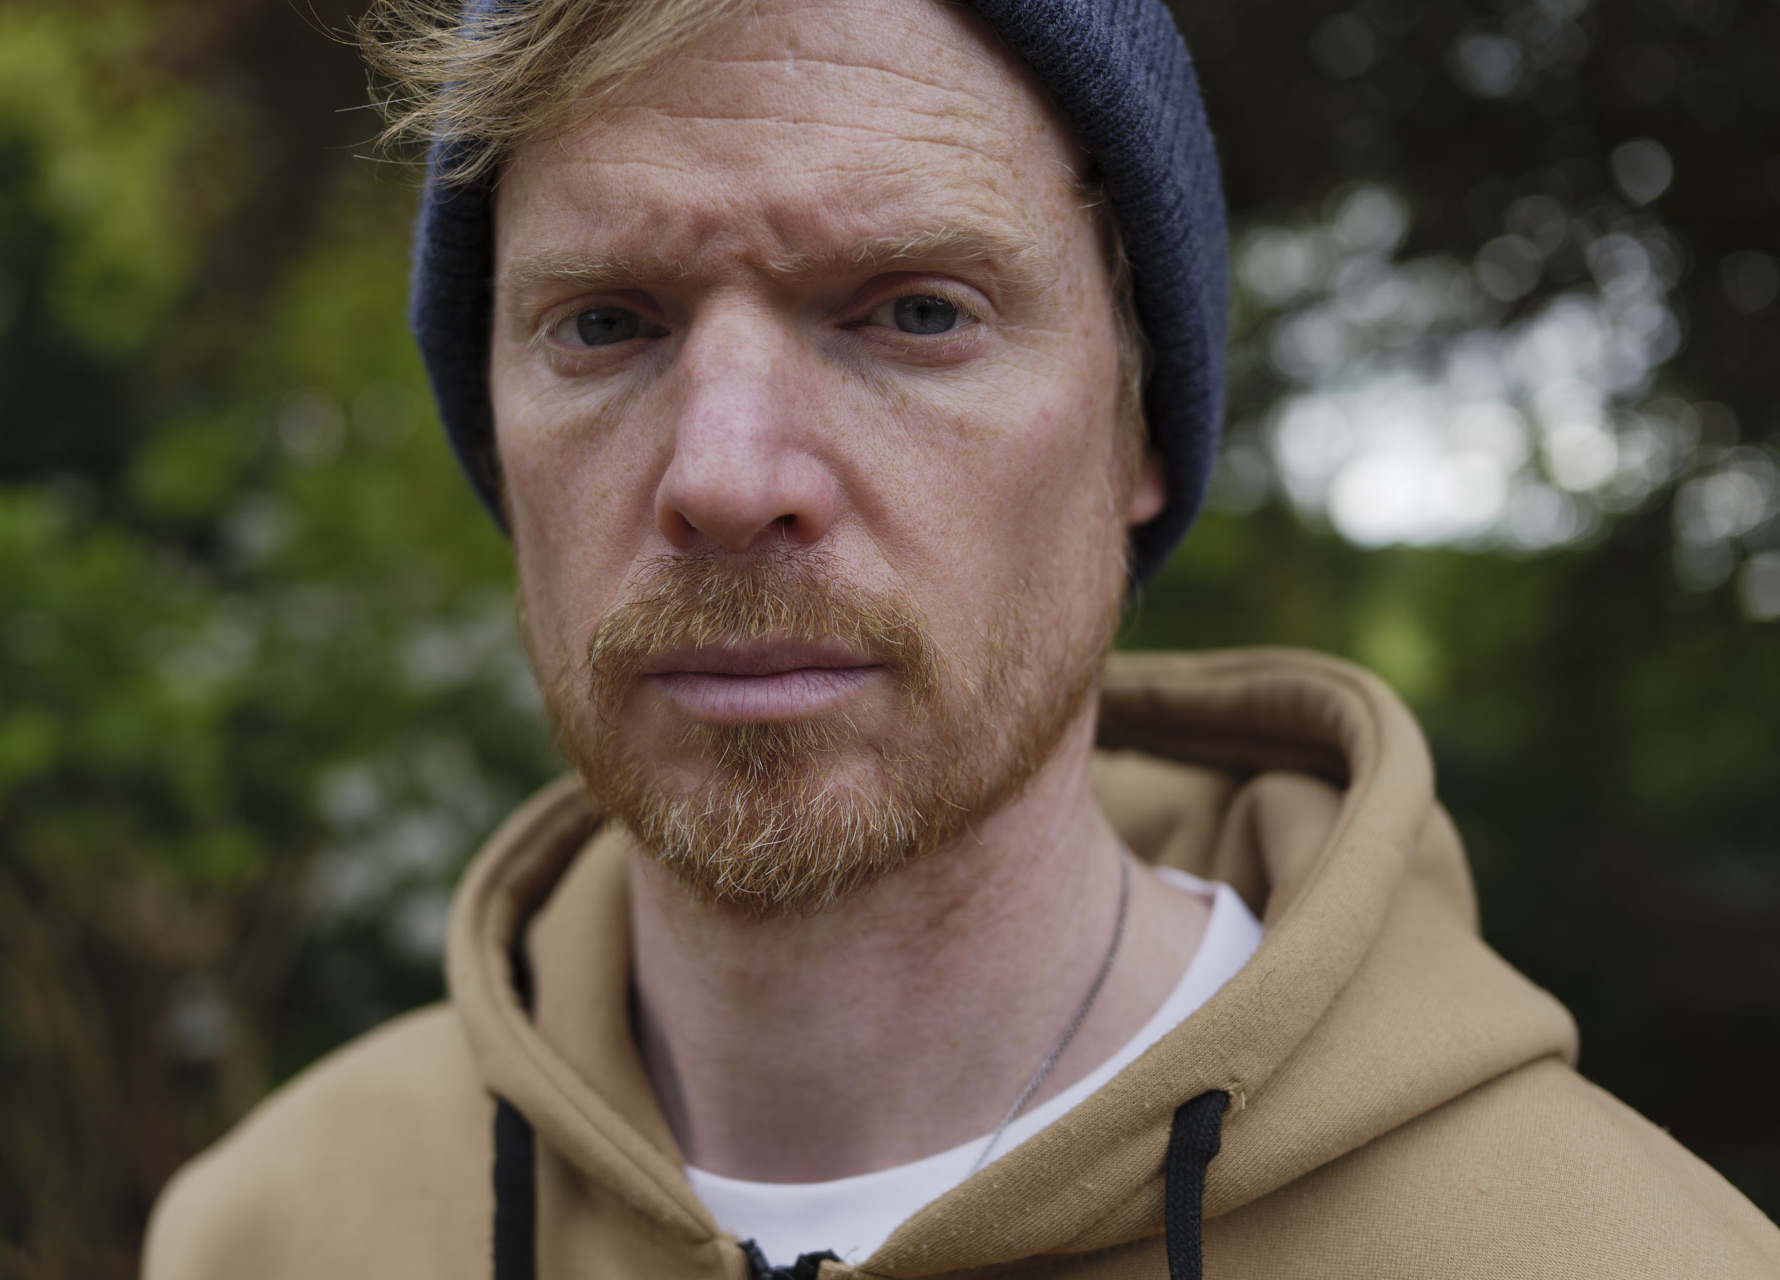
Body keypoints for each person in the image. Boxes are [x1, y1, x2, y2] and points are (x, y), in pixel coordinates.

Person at [142, 0, 1780, 1275]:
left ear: (1141, 428)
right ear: (495, 427)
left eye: (915, 309)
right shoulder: (267, 1234)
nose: (724, 476)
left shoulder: (1622, 1255)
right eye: (607, 323)